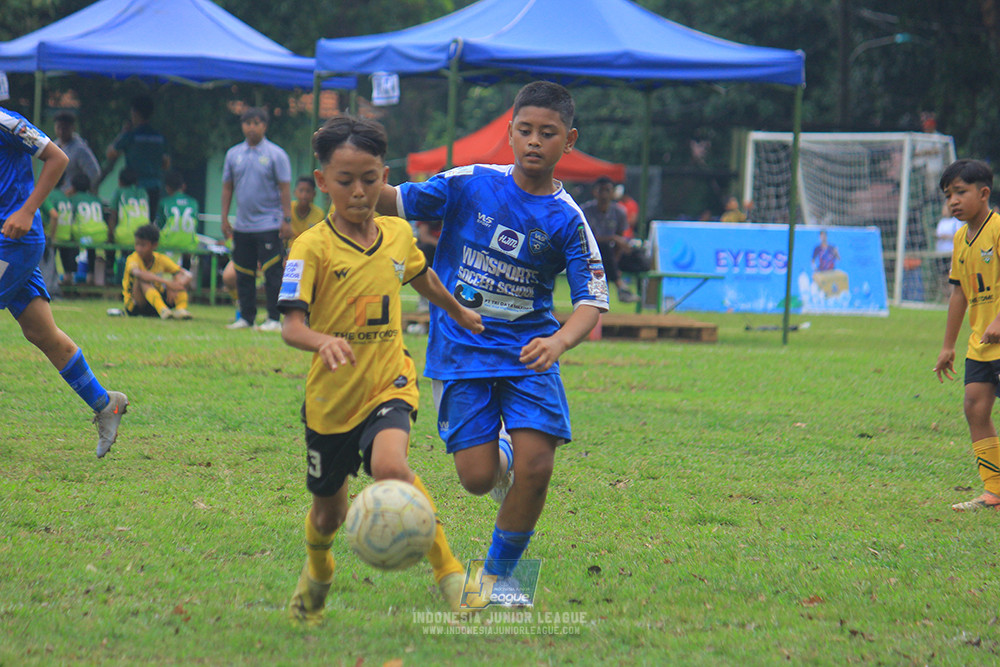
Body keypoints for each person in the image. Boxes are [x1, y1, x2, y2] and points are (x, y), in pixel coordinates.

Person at [376, 81, 609, 595]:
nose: (534, 141)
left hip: (529, 354)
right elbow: (396, 199)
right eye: (525, 130)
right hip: (461, 352)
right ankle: (501, 445)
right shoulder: (471, 183)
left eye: (547, 133)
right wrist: (353, 179)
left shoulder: (569, 220)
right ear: (509, 132)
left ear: (569, 141)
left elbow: (591, 301)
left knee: (537, 465)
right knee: (477, 478)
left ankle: (501, 577)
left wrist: (559, 343)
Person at [277, 115, 484, 623]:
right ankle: (319, 570)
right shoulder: (310, 247)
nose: (359, 192)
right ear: (322, 180)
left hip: (390, 381)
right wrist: (323, 341)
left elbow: (422, 276)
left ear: (384, 177)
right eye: (345, 180)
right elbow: (291, 327)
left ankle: (451, 576)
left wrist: (457, 310)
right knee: (329, 514)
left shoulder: (396, 233)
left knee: (391, 468)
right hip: (331, 402)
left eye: (370, 180)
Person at [0, 106, 128, 458]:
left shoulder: (6, 123)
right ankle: (105, 403)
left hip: (14, 240)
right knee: (41, 332)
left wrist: (27, 210)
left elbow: (58, 158)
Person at [933, 159, 1000, 512]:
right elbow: (958, 292)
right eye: (948, 195)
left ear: (983, 192)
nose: (953, 201)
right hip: (980, 343)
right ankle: (995, 492)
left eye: (960, 192)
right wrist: (948, 346)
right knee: (975, 407)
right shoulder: (960, 237)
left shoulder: (998, 229)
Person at [220, 107, 291, 331]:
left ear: (264, 126)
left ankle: (273, 318)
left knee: (272, 273)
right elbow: (227, 187)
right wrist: (224, 217)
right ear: (242, 126)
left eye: (256, 123)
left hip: (269, 223)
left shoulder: (276, 154)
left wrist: (287, 219)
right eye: (247, 123)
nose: (251, 127)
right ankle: (246, 317)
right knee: (243, 272)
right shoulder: (233, 154)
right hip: (242, 225)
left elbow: (285, 188)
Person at [106, 95, 170, 214]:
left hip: (134, 189)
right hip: (154, 187)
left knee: (132, 221)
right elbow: (166, 164)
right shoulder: (159, 137)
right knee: (149, 221)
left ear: (135, 113)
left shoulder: (131, 135)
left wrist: (122, 133)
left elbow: (111, 153)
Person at [581, 175, 638, 302]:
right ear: (595, 192)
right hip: (589, 255)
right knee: (604, 246)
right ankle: (620, 285)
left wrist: (615, 263)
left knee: (633, 254)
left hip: (612, 257)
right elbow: (587, 240)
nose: (604, 194)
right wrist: (612, 238)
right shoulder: (585, 211)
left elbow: (620, 242)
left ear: (613, 192)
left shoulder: (619, 212)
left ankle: (615, 283)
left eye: (607, 190)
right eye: (601, 190)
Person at [121, 223, 192, 320]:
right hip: (136, 305)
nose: (139, 249)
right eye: (137, 244)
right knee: (142, 280)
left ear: (154, 245)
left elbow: (187, 275)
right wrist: (167, 283)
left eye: (143, 245)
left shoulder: (160, 259)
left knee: (179, 280)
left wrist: (175, 285)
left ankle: (181, 310)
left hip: (154, 301)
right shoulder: (133, 259)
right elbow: (139, 274)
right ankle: (162, 310)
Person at [109, 168, 151, 283]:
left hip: (126, 236)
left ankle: (113, 274)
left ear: (120, 181)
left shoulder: (119, 192)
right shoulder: (144, 193)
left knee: (114, 244)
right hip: (146, 236)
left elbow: (113, 216)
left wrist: (110, 235)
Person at [67, 172, 108, 286]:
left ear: (73, 187)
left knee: (71, 246)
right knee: (91, 250)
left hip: (82, 235)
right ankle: (92, 276)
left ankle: (71, 275)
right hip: (100, 235)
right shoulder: (96, 199)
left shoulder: (72, 199)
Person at [156, 170, 200, 270]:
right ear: (183, 186)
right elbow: (196, 225)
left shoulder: (164, 203)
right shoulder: (194, 202)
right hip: (189, 244)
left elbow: (160, 225)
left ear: (167, 188)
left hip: (168, 244)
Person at [53, 111, 100, 195]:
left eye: (65, 128)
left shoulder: (80, 149)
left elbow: (94, 173)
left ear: (73, 128)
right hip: (57, 194)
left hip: (73, 196)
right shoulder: (54, 146)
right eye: (59, 127)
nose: (61, 131)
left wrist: (78, 188)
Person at [288, 175, 325, 249]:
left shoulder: (319, 214)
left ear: (314, 194)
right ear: (295, 192)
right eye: (301, 190)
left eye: (308, 191)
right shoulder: (288, 209)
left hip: (309, 250)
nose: (304, 195)